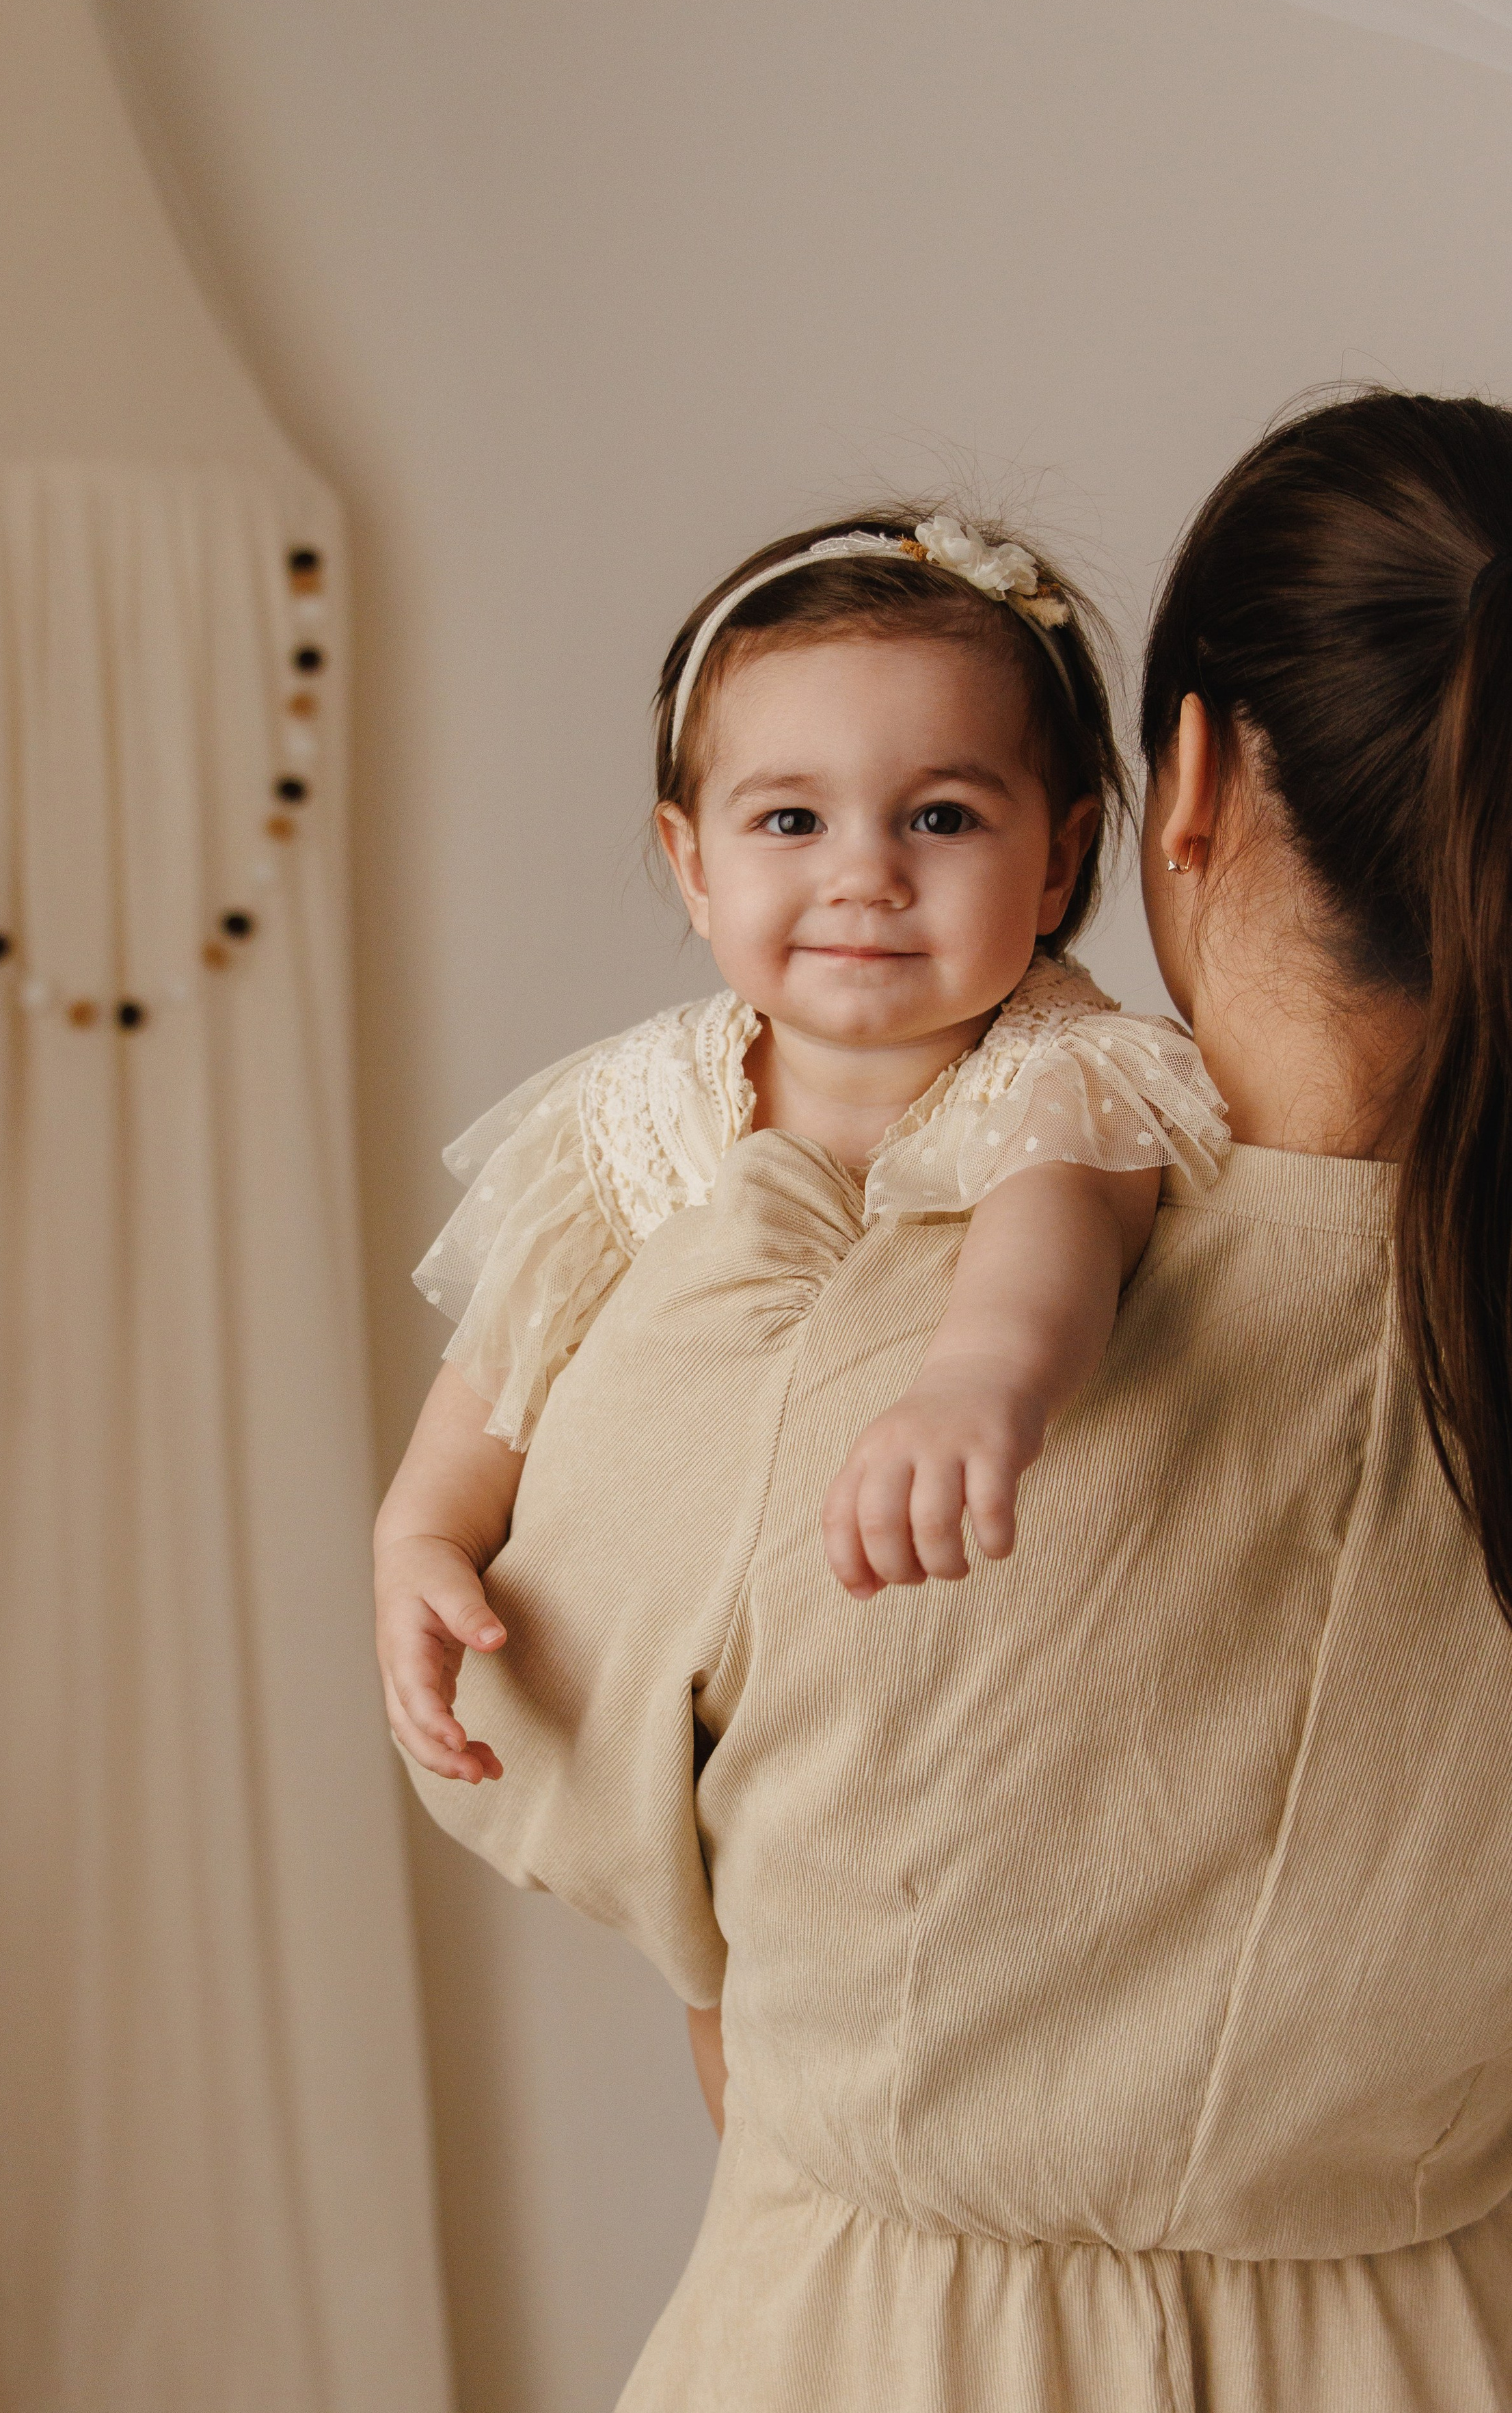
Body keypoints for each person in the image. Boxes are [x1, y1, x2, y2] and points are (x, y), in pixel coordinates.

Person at [394, 391, 1512, 2410]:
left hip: (899, 2353)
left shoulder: (826, 1322)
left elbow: (550, 1761)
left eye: (936, 814)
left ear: (1163, 797)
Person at [377, 507, 1226, 1781]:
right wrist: (423, 1537)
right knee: (720, 1974)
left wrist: (978, 1382)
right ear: (694, 863)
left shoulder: (1067, 1077)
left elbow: (1051, 1240)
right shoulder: (638, 1102)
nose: (864, 875)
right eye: (791, 823)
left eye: (939, 818)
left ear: (1057, 863)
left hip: (942, 1714)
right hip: (677, 1706)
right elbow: (511, 1358)